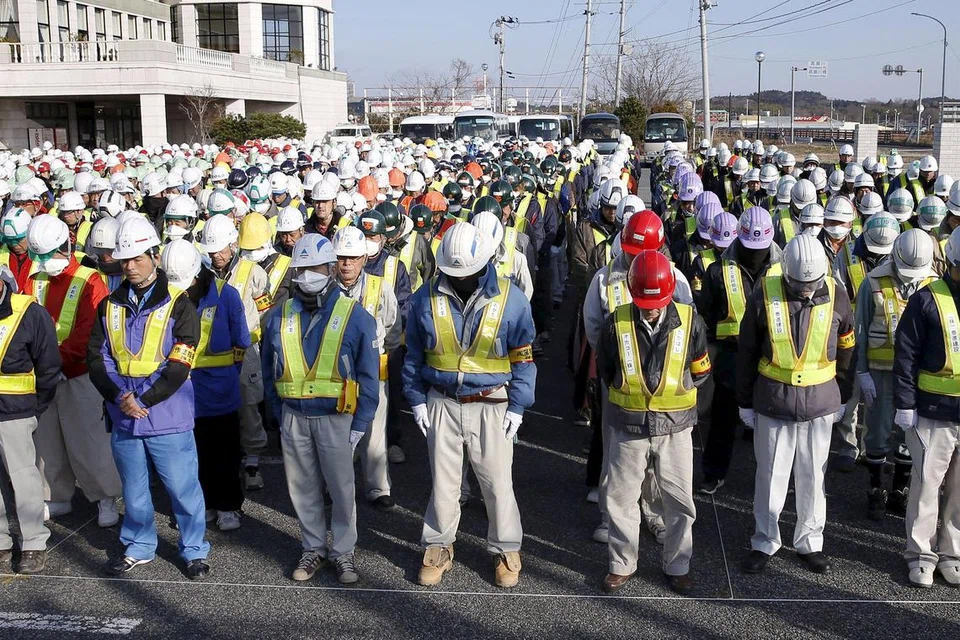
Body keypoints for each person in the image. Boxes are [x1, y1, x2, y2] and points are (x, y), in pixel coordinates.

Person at [403, 222, 536, 589]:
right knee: (444, 484)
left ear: (484, 264)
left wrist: (518, 406)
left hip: (492, 402)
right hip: (441, 401)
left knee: (496, 482)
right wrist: (415, 399)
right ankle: (438, 544)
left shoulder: (511, 299)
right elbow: (414, 353)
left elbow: (523, 357)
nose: (461, 279)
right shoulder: (424, 297)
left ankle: (506, 548)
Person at [86, 217, 210, 579]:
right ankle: (139, 545)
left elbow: (182, 358)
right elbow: (97, 357)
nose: (131, 265)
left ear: (154, 256)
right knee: (134, 489)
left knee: (182, 487)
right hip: (124, 412)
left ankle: (194, 549)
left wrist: (144, 400)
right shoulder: (109, 305)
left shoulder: (179, 303)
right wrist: (121, 396)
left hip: (167, 413)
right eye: (125, 260)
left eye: (138, 258)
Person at [261, 233, 379, 585]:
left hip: (337, 419)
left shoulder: (355, 316)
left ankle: (344, 552)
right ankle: (312, 547)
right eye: (303, 268)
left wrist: (361, 422)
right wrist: (279, 413)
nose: (309, 274)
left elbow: (369, 375)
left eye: (316, 267)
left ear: (329, 269)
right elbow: (269, 369)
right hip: (294, 416)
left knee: (342, 490)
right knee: (302, 487)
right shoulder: (278, 316)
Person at [737, 234, 855, 575]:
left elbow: (848, 348)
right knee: (770, 477)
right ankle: (765, 540)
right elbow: (746, 351)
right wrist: (744, 402)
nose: (806, 289)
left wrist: (843, 396)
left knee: (813, 477)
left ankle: (810, 541)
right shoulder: (765, 293)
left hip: (820, 404)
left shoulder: (837, 295)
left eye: (812, 283)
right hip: (774, 402)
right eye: (799, 284)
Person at [596, 250, 710, 594]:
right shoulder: (616, 322)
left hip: (676, 426)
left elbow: (701, 372)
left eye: (657, 302)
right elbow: (607, 371)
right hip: (628, 425)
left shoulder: (691, 322)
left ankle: (678, 564)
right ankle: (622, 563)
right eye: (645, 303)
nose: (652, 309)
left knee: (678, 501)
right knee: (621, 497)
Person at [27, 215, 121, 526]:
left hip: (77, 373)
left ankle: (105, 497)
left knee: (89, 440)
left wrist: (55, 361)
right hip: (42, 373)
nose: (46, 261)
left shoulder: (89, 279)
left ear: (65, 245)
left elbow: (89, 331)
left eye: (51, 254)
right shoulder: (35, 275)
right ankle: (56, 497)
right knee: (47, 441)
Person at [162, 239, 251, 532]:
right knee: (188, 456)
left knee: (224, 452)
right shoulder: (170, 296)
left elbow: (241, 341)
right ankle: (199, 505)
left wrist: (227, 374)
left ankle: (228, 506)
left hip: (220, 391)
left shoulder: (227, 296)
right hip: (181, 391)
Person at [891, 225, 960, 588]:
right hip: (934, 413)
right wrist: (905, 404)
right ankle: (921, 555)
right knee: (926, 488)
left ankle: (953, 554)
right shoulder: (928, 299)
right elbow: (906, 354)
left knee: (959, 491)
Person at [697, 207, 782, 495]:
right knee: (722, 420)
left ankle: (777, 478)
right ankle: (713, 473)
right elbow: (705, 316)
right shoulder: (718, 270)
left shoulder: (783, 270)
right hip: (731, 357)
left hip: (774, 356)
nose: (755, 254)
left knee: (774, 423)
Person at [857, 228, 931, 522]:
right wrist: (861, 371)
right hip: (880, 372)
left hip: (917, 375)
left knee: (908, 433)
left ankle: (900, 488)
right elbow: (860, 328)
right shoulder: (873, 281)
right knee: (876, 431)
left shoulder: (932, 282)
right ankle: (876, 488)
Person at [199, 214, 270, 490]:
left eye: (220, 250)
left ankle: (252, 460)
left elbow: (265, 311)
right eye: (211, 251)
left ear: (233, 244)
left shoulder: (253, 272)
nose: (216, 256)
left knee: (249, 405)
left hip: (247, 349)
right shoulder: (203, 276)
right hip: (214, 353)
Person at [331, 225, 398, 510]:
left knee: (374, 433)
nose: (347, 264)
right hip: (334, 374)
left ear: (364, 258)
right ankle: (334, 486)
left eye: (353, 258)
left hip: (371, 372)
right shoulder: (326, 287)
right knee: (335, 434)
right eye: (341, 257)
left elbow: (393, 326)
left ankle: (378, 487)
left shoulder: (379, 287)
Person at [0, 265, 61, 575]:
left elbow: (49, 365)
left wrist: (36, 407)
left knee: (24, 477)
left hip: (16, 413)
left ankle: (34, 543)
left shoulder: (28, 313)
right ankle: (1, 543)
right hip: (13, 410)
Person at [0, 208, 34, 293]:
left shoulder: (43, 257)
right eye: (9, 240)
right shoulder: (1, 255)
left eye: (18, 240)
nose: (14, 245)